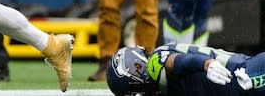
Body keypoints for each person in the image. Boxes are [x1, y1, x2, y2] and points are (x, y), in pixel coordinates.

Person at [106, 42, 265, 96]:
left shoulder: (155, 61)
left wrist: (207, 64)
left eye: (136, 89)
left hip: (242, 75)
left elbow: (178, 62)